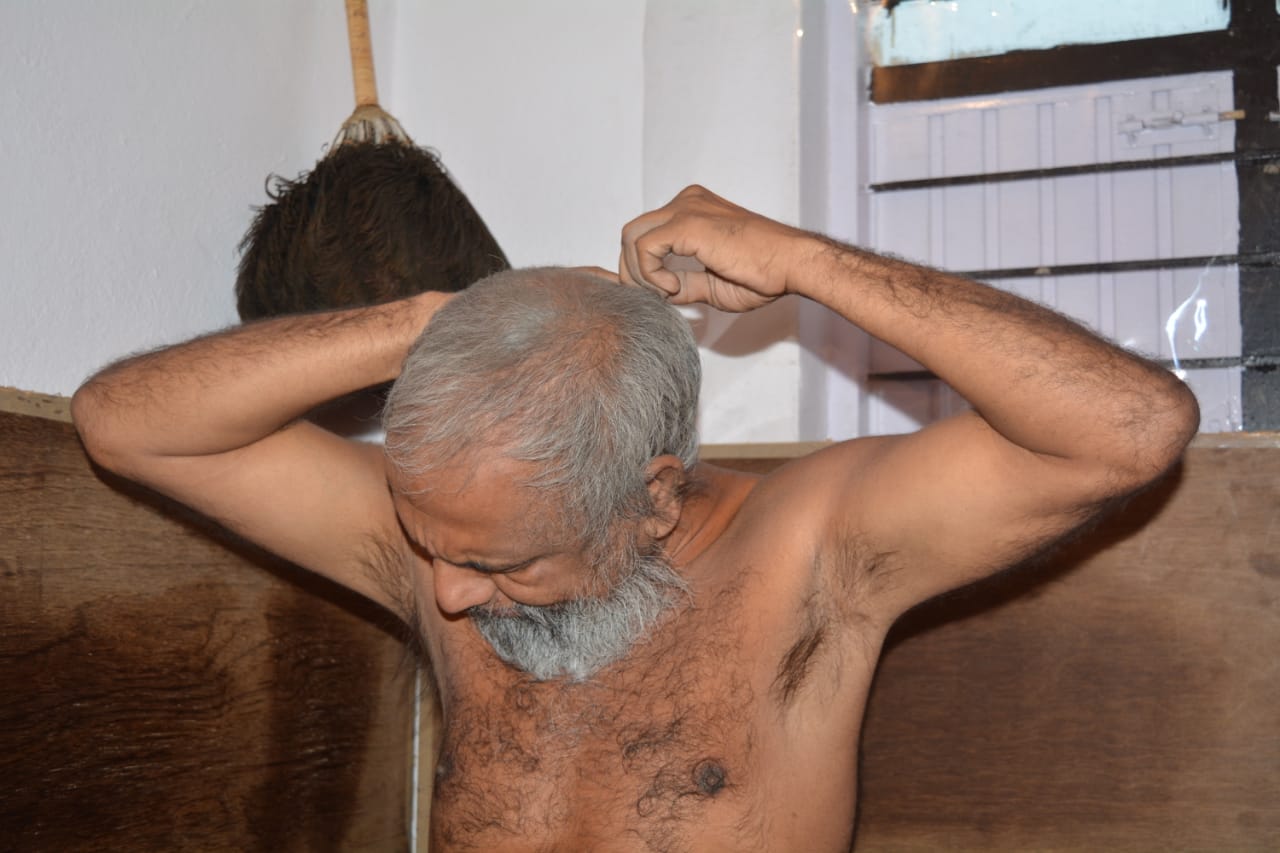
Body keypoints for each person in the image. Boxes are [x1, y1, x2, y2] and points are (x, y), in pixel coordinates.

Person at [72, 185, 1199, 851]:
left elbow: (1130, 428)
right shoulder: (444, 531)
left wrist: (807, 261)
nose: (447, 595)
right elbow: (123, 424)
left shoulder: (814, 551)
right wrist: (428, 322)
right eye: (433, 549)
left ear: (651, 499)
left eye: (502, 563)